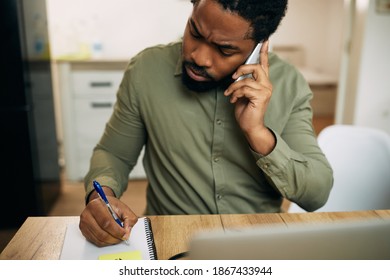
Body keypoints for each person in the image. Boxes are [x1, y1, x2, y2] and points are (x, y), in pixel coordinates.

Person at [79, 0, 333, 247]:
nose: (199, 57)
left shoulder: (289, 84)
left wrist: (258, 133)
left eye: (224, 50)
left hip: (258, 242)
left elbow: (316, 194)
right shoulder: (146, 70)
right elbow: (114, 154)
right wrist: (102, 197)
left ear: (259, 47)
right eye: (195, 32)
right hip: (170, 239)